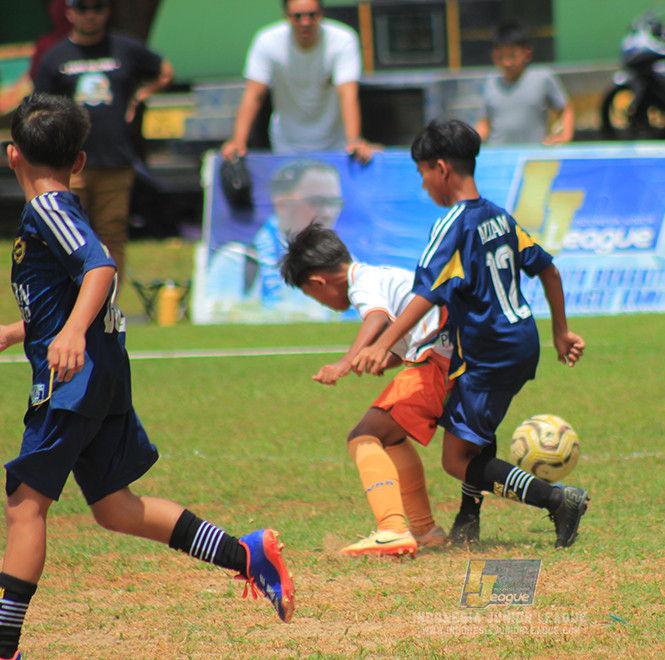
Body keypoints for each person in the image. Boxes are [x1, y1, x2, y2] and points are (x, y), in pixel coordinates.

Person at [0, 93, 295, 660]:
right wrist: (22, 329)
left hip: (75, 380)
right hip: (102, 374)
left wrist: (71, 335)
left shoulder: (48, 209)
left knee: (24, 506)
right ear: (81, 161)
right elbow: (69, 285)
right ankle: (248, 555)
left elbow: (100, 269)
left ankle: (4, 649)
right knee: (115, 508)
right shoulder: (65, 210)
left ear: (13, 156)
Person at [352, 119, 589, 549]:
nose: (424, 184)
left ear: (441, 168)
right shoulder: (499, 216)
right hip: (517, 340)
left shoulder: (452, 225)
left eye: (423, 172)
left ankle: (557, 500)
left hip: (488, 350)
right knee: (473, 426)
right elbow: (549, 270)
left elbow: (424, 294)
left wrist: (382, 344)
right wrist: (561, 331)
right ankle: (467, 519)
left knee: (455, 459)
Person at [279, 222, 452, 556]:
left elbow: (377, 318)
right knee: (389, 436)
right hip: (441, 359)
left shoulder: (362, 285)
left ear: (318, 282)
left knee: (363, 436)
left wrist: (346, 361)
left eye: (310, 294)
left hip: (435, 362)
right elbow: (403, 327)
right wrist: (383, 361)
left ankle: (391, 530)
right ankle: (425, 529)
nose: (319, 301)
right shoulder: (378, 274)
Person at [33, 0, 174, 274]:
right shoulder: (54, 56)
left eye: (97, 8)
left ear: (107, 11)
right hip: (69, 165)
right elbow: (38, 110)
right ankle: (73, 307)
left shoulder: (125, 47)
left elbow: (165, 71)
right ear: (70, 12)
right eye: (83, 8)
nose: (90, 15)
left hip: (116, 161)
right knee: (70, 238)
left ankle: (108, 308)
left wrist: (141, 95)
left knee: (113, 234)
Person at [221, 0, 373, 165]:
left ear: (321, 14)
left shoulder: (343, 40)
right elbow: (254, 95)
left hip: (334, 144)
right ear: (286, 16)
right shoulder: (266, 42)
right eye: (297, 16)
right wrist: (238, 142)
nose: (305, 22)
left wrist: (354, 141)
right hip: (286, 144)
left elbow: (348, 95)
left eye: (312, 15)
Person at [202, 158, 342, 321]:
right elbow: (214, 323)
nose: (328, 213)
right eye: (318, 202)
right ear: (282, 204)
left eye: (335, 203)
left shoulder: (345, 265)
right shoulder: (234, 262)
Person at [475, 22, 574, 146]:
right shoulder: (491, 82)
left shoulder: (542, 78)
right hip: (499, 156)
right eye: (501, 57)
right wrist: (473, 145)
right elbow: (484, 123)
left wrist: (565, 137)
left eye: (513, 56)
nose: (507, 63)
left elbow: (565, 110)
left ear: (527, 52)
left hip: (533, 155)